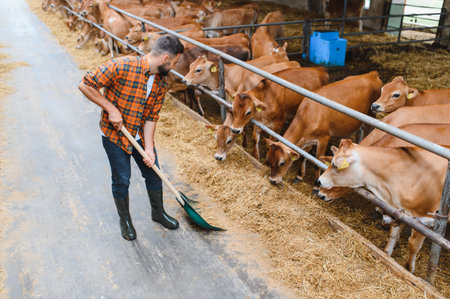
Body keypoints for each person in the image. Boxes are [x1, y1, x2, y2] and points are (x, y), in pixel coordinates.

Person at [79, 35, 184, 241]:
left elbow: (151, 118)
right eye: (174, 62)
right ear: (164, 59)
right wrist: (110, 108)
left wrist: (150, 149)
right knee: (122, 179)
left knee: (153, 173)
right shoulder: (122, 66)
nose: (174, 67)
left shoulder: (161, 83)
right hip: (115, 136)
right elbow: (85, 84)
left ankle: (158, 213)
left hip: (139, 136)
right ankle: (125, 221)